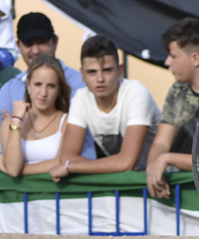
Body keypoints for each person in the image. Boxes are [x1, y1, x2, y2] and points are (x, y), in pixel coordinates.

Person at [50, 35, 161, 181]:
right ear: (82, 74)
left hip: (166, 181)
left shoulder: (136, 92)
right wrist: (109, 167)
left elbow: (126, 162)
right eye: (92, 72)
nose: (100, 79)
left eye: (107, 70)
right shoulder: (81, 98)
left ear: (120, 70)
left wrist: (71, 167)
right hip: (128, 183)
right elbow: (67, 157)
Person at [145, 19, 199, 199]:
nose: (167, 62)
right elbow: (161, 142)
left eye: (173, 56)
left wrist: (167, 159)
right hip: (175, 196)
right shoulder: (177, 90)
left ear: (195, 58)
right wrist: (153, 172)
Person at [0, 13, 92, 118]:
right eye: (29, 44)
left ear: (55, 42)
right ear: (18, 46)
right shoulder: (10, 89)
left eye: (41, 43)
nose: (36, 51)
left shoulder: (82, 83)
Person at [0, 55, 72, 177]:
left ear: (59, 89)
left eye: (51, 86)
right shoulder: (9, 123)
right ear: (28, 85)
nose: (43, 93)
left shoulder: (68, 121)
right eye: (38, 84)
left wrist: (18, 169)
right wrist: (16, 120)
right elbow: (12, 168)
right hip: (19, 196)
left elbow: (61, 162)